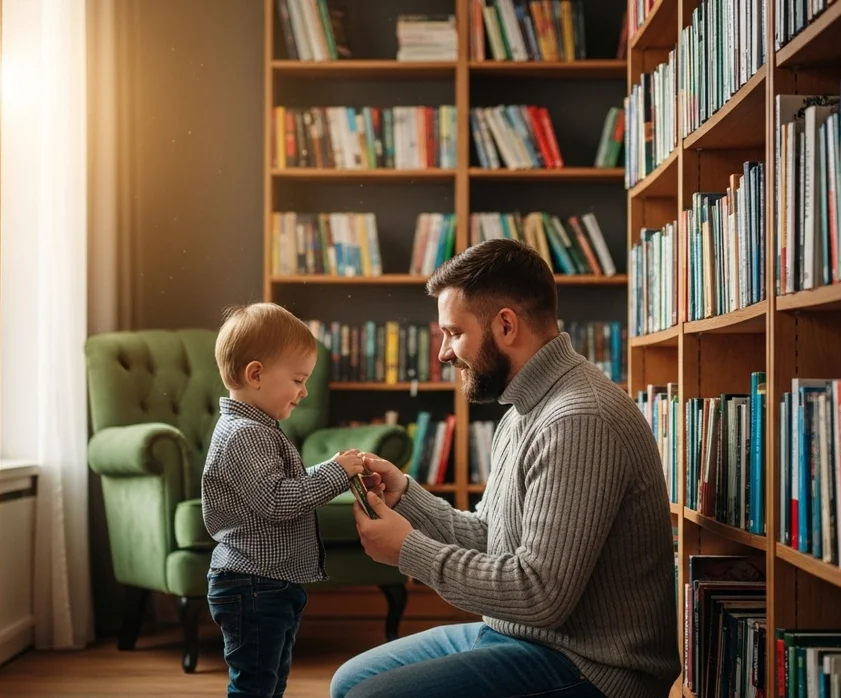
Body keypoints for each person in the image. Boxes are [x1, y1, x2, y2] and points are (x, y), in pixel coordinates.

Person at [331, 239, 680, 698]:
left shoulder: (579, 418)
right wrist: (407, 497)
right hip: (522, 638)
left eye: (454, 333)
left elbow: (539, 593)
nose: (443, 353)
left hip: (591, 666)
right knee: (349, 682)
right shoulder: (522, 409)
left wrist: (408, 551)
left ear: (506, 325)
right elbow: (495, 539)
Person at [201, 302, 375, 698]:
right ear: (256, 374)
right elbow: (279, 500)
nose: (304, 391)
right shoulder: (245, 434)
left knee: (270, 682)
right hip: (253, 584)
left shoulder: (258, 429)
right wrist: (337, 471)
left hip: (268, 583)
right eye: (298, 379)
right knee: (255, 686)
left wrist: (333, 468)